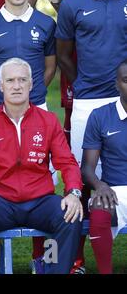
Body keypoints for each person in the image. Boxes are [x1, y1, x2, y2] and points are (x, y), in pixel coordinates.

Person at [0, 58, 83, 274]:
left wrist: (73, 193)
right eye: (10, 80)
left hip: (40, 201)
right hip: (0, 202)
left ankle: (52, 269)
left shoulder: (48, 120)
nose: (16, 86)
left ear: (31, 84)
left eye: (22, 80)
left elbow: (67, 162)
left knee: (69, 216)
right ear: (1, 86)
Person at [55, 0, 127, 273]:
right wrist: (84, 84)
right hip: (88, 100)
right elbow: (62, 54)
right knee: (83, 178)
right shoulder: (73, 4)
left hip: (125, 96)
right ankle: (76, 258)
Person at [81, 60, 127, 274]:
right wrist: (99, 186)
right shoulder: (100, 116)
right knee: (100, 206)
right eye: (126, 80)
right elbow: (87, 168)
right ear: (116, 83)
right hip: (115, 190)